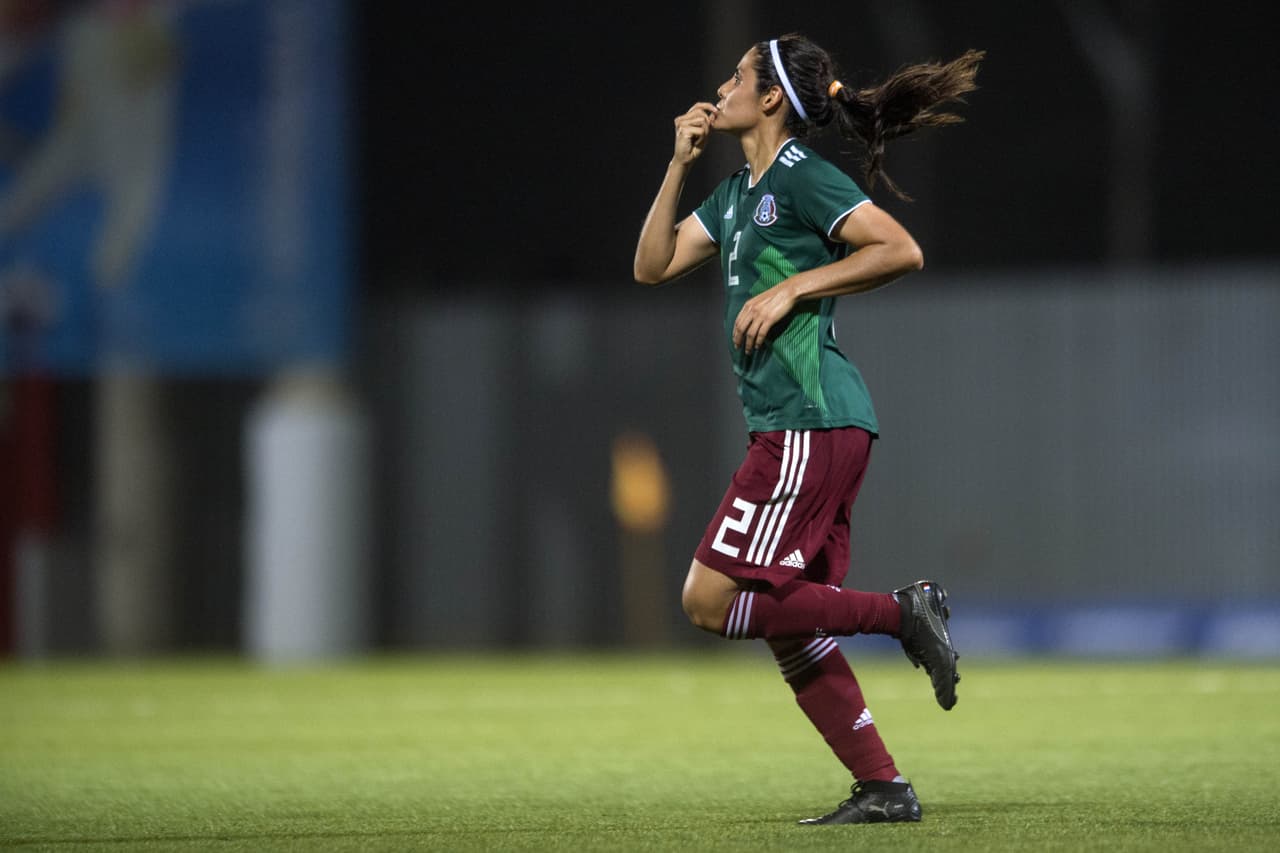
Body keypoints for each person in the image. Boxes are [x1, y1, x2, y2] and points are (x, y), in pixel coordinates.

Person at [633, 33, 982, 825]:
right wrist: (678, 163)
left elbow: (901, 249)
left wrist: (793, 288)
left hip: (807, 424)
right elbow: (651, 266)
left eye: (736, 77)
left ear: (770, 100)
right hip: (809, 428)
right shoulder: (732, 196)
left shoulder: (799, 178)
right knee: (790, 619)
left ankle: (902, 611)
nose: (719, 87)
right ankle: (885, 787)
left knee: (710, 598)